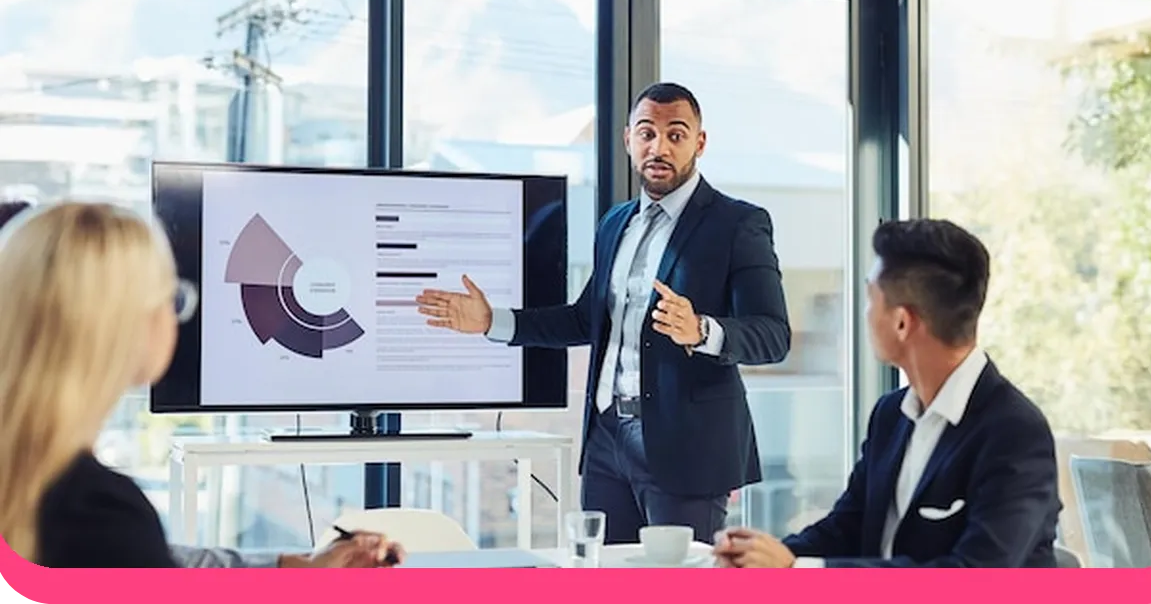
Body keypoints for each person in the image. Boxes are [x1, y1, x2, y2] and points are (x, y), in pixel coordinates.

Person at [415, 82, 790, 544]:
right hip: (607, 442)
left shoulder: (737, 223)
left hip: (687, 448)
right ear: (628, 138)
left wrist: (701, 331)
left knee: (678, 588)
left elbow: (773, 335)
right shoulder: (616, 224)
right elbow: (583, 320)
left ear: (700, 142)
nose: (659, 147)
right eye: (647, 133)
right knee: (603, 578)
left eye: (676, 134)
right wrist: (494, 321)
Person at [0, 202, 403, 579]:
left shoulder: (53, 494)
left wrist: (294, 568)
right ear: (126, 325)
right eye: (172, 298)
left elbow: (160, 566)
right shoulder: (96, 512)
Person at [713, 219, 1060, 568]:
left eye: (870, 298)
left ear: (901, 323)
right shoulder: (891, 414)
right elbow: (848, 525)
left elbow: (974, 572)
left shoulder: (1015, 432)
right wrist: (761, 557)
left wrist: (795, 571)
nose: (864, 313)